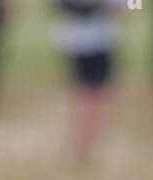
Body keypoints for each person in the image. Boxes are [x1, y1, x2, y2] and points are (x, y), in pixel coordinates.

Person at [50, 0, 121, 168]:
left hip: (74, 39)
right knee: (93, 98)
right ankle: (83, 149)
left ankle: (78, 146)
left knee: (80, 95)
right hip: (97, 40)